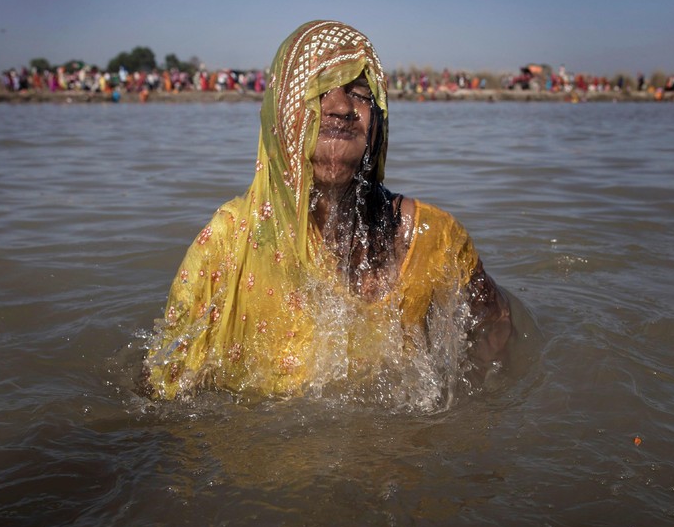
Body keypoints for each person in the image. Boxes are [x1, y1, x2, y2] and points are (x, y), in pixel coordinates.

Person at [144, 20, 517, 401]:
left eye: (359, 93)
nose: (341, 107)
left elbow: (496, 333)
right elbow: (163, 385)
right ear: (282, 116)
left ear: (379, 122)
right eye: (319, 91)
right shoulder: (228, 242)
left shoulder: (432, 238)